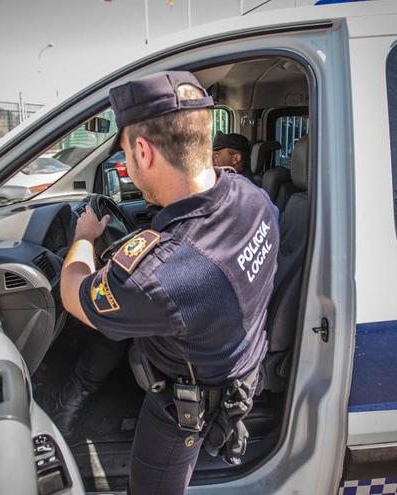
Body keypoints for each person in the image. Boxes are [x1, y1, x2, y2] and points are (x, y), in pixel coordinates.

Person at [58, 71, 279, 494]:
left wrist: (84, 238)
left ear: (143, 150)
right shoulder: (251, 197)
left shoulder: (164, 275)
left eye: (123, 153)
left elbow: (76, 295)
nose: (125, 164)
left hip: (186, 407)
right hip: (236, 359)